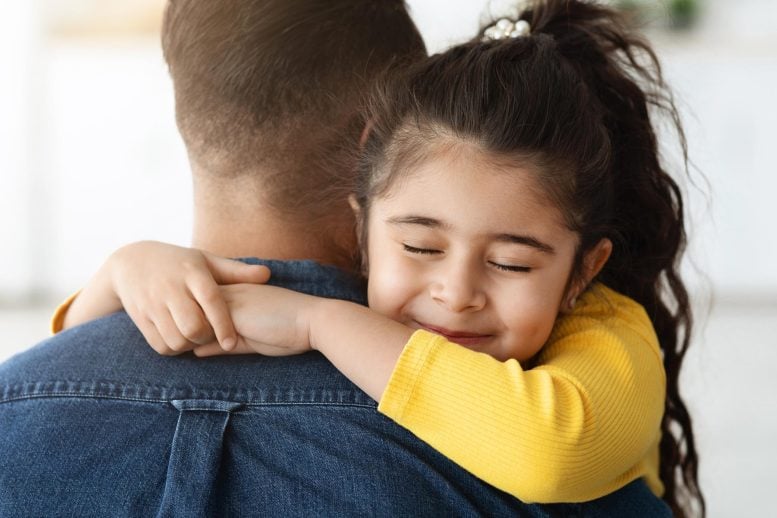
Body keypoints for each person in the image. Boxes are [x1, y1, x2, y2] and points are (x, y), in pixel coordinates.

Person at [0, 0, 674, 516]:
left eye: (512, 263)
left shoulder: (593, 345)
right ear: (371, 167)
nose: (456, 292)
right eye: (421, 246)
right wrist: (118, 277)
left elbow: (551, 447)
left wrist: (318, 321)